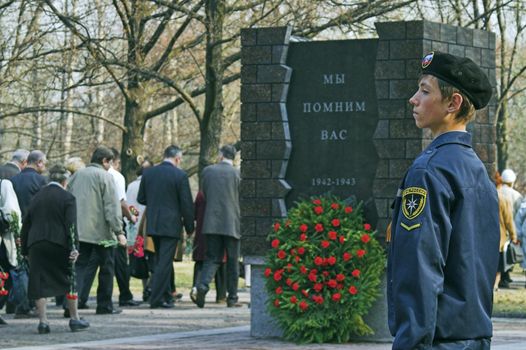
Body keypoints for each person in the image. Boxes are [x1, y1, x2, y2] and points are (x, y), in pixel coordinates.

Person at [387, 51, 499, 349]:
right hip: (476, 337)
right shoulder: (478, 172)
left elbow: (420, 268)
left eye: (425, 91)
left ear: (453, 103)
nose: (414, 99)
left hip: (438, 340)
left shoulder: (428, 171)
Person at [20, 165, 89, 334]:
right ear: (65, 181)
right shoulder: (68, 198)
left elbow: (26, 225)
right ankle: (74, 319)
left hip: (36, 243)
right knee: (69, 279)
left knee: (39, 281)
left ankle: (43, 322)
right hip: (59, 243)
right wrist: (74, 248)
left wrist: (24, 250)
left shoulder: (36, 197)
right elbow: (71, 226)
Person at [67, 146, 126, 315]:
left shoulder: (77, 175)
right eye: (110, 163)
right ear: (104, 161)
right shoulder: (105, 177)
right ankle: (104, 305)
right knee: (107, 267)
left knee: (78, 268)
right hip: (102, 234)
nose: (111, 167)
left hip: (79, 230)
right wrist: (119, 231)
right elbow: (112, 207)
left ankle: (70, 306)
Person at [137, 145, 194, 309]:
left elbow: (141, 199)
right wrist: (190, 228)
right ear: (177, 159)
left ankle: (166, 295)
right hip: (171, 224)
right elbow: (186, 205)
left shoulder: (149, 173)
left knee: (161, 259)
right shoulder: (180, 175)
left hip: (154, 223)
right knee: (164, 261)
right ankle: (156, 298)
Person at [195, 145, 241, 308]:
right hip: (232, 223)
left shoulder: (207, 171)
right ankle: (232, 297)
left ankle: (203, 285)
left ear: (221, 155)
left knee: (212, 258)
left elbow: (204, 194)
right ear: (233, 157)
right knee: (233, 261)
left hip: (211, 222)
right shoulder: (237, 174)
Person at [10, 150, 47, 318]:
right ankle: (28, 304)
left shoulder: (14, 180)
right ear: (38, 162)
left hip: (16, 226)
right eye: (44, 164)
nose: (44, 167)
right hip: (35, 228)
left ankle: (20, 303)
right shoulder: (40, 181)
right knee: (32, 268)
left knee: (18, 267)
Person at [108, 148, 140, 307]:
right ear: (114, 161)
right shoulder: (117, 177)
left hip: (97, 223)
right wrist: (132, 216)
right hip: (116, 222)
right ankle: (125, 295)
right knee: (120, 262)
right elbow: (123, 203)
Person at [190, 191, 227, 304]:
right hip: (219, 231)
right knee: (220, 262)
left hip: (202, 232)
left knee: (200, 262)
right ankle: (221, 296)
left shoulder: (202, 194)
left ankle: (196, 289)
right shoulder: (223, 193)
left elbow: (194, 214)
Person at [0, 178, 22, 325]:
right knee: (5, 274)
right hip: (3, 238)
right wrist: (17, 232)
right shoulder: (4, 184)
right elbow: (11, 211)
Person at [495, 174, 518, 290]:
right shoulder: (504, 199)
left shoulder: (483, 196)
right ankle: (495, 285)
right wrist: (513, 235)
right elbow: (509, 220)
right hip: (500, 236)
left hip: (484, 236)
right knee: (498, 264)